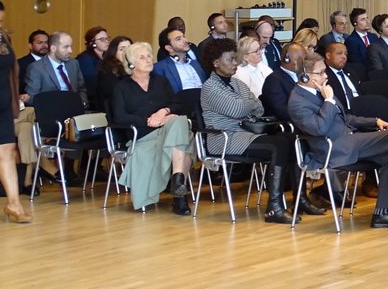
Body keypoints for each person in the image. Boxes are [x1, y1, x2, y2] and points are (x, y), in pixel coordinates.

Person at [288, 52, 388, 227]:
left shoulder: (320, 91)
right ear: (306, 76)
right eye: (321, 72)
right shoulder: (297, 101)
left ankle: (382, 214)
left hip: (348, 142)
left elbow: (345, 118)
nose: (326, 75)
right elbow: (319, 128)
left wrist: (374, 121)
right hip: (331, 149)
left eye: (325, 71)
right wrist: (329, 100)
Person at [198, 39, 300, 224]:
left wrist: (245, 105)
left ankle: (300, 199)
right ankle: (274, 206)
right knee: (278, 145)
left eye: (235, 59)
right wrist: (246, 105)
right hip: (223, 138)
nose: (235, 63)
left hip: (245, 134)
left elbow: (258, 107)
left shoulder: (236, 84)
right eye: (230, 60)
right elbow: (239, 109)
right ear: (216, 63)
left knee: (291, 139)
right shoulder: (209, 87)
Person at [112, 42, 195, 214]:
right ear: (131, 63)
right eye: (142, 57)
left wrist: (164, 112)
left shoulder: (161, 81)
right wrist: (150, 120)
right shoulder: (121, 87)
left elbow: (177, 103)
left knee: (178, 120)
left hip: (168, 131)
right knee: (184, 137)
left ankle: (178, 181)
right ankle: (179, 193)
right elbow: (119, 117)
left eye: (149, 55)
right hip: (142, 135)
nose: (149, 59)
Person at [0, 0, 30, 224]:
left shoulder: (1, 39)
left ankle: (14, 204)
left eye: (0, 22)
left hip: (2, 105)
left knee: (6, 151)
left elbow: (11, 70)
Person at [23, 30, 87, 108]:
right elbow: (33, 98)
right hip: (51, 111)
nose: (70, 51)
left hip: (75, 109)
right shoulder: (36, 68)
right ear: (53, 48)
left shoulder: (74, 63)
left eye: (70, 46)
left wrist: (83, 102)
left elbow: (81, 88)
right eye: (66, 47)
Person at [260, 42, 306, 120]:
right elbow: (281, 111)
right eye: (299, 59)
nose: (303, 63)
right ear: (286, 59)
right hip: (291, 125)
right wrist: (307, 116)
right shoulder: (273, 80)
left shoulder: (305, 77)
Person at [152, 28, 206, 92]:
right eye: (178, 39)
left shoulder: (195, 63)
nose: (185, 40)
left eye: (184, 37)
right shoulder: (160, 68)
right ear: (169, 48)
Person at [321, 41, 362, 115]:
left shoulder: (351, 72)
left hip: (361, 110)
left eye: (346, 54)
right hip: (342, 115)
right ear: (328, 55)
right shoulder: (323, 75)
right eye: (339, 53)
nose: (344, 57)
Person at [95, 36, 132, 114]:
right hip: (117, 112)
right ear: (114, 52)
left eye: (129, 48)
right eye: (122, 49)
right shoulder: (107, 71)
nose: (126, 52)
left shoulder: (135, 68)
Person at [344, 8, 373, 79]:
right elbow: (357, 64)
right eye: (363, 19)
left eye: (367, 18)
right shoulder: (351, 41)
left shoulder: (373, 36)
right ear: (355, 23)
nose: (367, 21)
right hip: (363, 76)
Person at [17, 29, 48, 95]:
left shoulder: (53, 62)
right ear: (30, 46)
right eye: (39, 42)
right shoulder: (21, 64)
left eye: (46, 43)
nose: (44, 45)